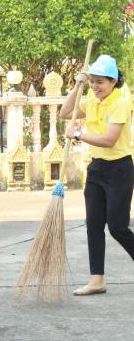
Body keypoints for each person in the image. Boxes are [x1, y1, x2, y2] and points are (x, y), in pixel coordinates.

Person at [60, 55, 134, 296]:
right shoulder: (91, 98)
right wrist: (77, 86)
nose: (95, 86)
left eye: (99, 82)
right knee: (93, 224)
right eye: (92, 81)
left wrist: (79, 135)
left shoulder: (120, 103)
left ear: (113, 81)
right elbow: (65, 112)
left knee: (117, 227)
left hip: (119, 169)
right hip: (96, 169)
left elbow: (109, 140)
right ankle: (97, 280)